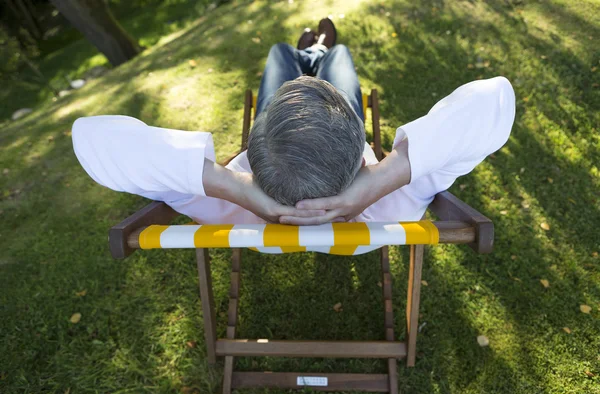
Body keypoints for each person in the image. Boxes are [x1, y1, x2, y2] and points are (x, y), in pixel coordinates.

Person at [72, 18, 516, 236]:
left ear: (255, 146)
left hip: (283, 149)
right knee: (338, 62)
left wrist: (241, 190)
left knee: (278, 56)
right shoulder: (392, 205)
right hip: (330, 144)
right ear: (356, 144)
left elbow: (94, 137)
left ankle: (305, 53)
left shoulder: (228, 208)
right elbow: (493, 98)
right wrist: (376, 182)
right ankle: (322, 51)